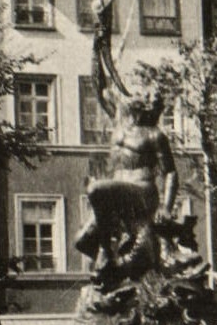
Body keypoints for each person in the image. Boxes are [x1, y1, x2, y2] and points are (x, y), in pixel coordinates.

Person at [75, 80, 178, 283]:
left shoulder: (155, 135)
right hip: (118, 195)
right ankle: (115, 267)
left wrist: (166, 208)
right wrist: (98, 49)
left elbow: (171, 173)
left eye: (144, 98)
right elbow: (100, 86)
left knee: (95, 189)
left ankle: (106, 255)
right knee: (82, 241)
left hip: (142, 192)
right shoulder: (120, 122)